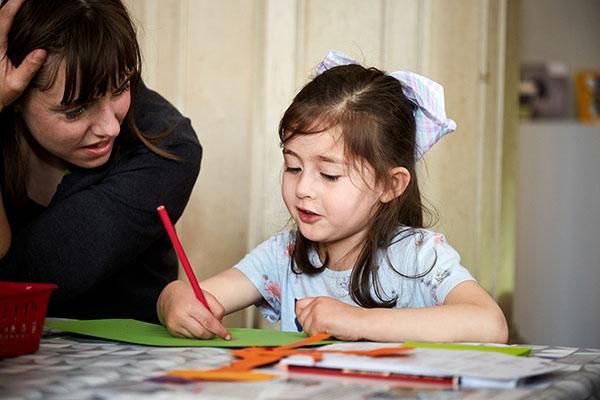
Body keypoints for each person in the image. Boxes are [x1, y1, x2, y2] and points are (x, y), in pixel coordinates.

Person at [157, 51, 508, 343]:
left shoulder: (418, 257)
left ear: (390, 184)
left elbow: (490, 325)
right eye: (293, 167)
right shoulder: (284, 255)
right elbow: (202, 299)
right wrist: (171, 298)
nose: (304, 188)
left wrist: (357, 322)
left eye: (329, 174)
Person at [0, 0, 202, 323]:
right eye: (76, 110)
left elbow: (22, 284)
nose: (111, 128)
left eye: (122, 87)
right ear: (15, 98)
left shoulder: (169, 145)